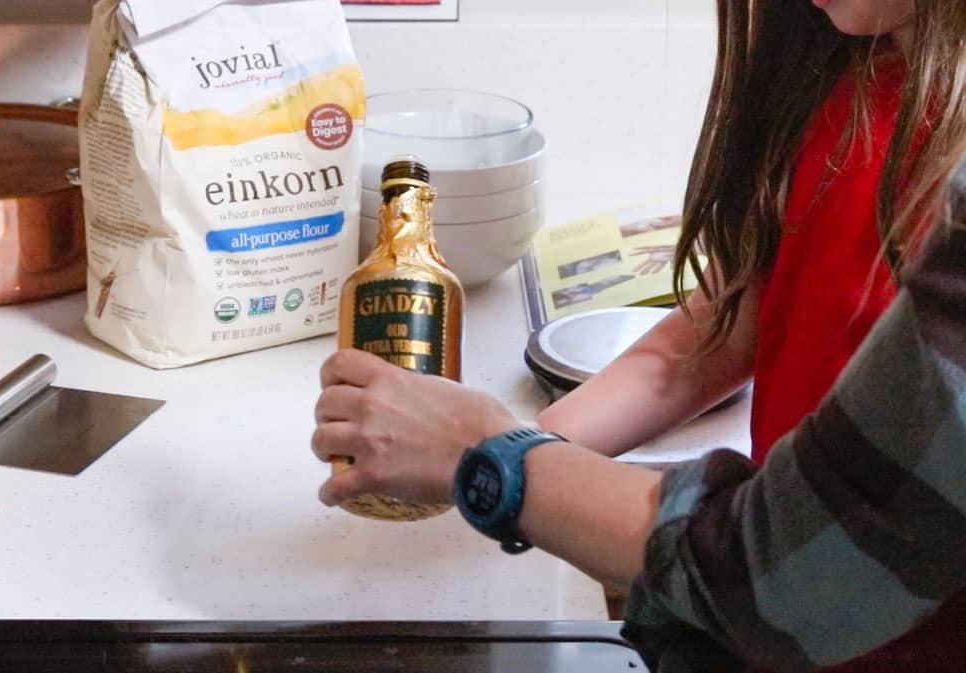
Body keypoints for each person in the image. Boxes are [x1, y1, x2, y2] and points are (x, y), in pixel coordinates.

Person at [312, 0, 966, 670]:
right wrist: (495, 446)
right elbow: (697, 347)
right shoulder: (844, 81)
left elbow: (788, 571)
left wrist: (487, 456)